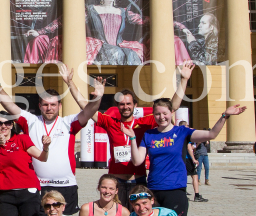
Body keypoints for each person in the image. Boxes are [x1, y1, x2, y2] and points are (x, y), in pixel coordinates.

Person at [123, 98, 246, 216]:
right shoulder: (149, 135)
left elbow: (212, 134)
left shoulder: (182, 132)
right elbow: (137, 161)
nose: (161, 117)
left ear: (171, 112)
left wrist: (225, 115)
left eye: (164, 113)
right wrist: (132, 139)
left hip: (175, 190)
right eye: (157, 114)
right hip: (154, 190)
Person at [0, 63, 104, 215]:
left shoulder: (68, 122)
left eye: (53, 105)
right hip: (39, 187)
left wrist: (76, 86)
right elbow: (9, 105)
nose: (49, 108)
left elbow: (89, 110)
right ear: (40, 106)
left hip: (66, 185)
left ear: (59, 106)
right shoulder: (31, 120)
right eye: (46, 105)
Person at [64, 62, 189, 205]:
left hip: (138, 181)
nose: (125, 107)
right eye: (122, 104)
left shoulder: (145, 122)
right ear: (117, 106)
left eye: (128, 104)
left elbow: (172, 107)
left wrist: (184, 80)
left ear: (135, 105)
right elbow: (86, 107)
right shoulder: (111, 122)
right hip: (116, 182)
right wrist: (69, 82)